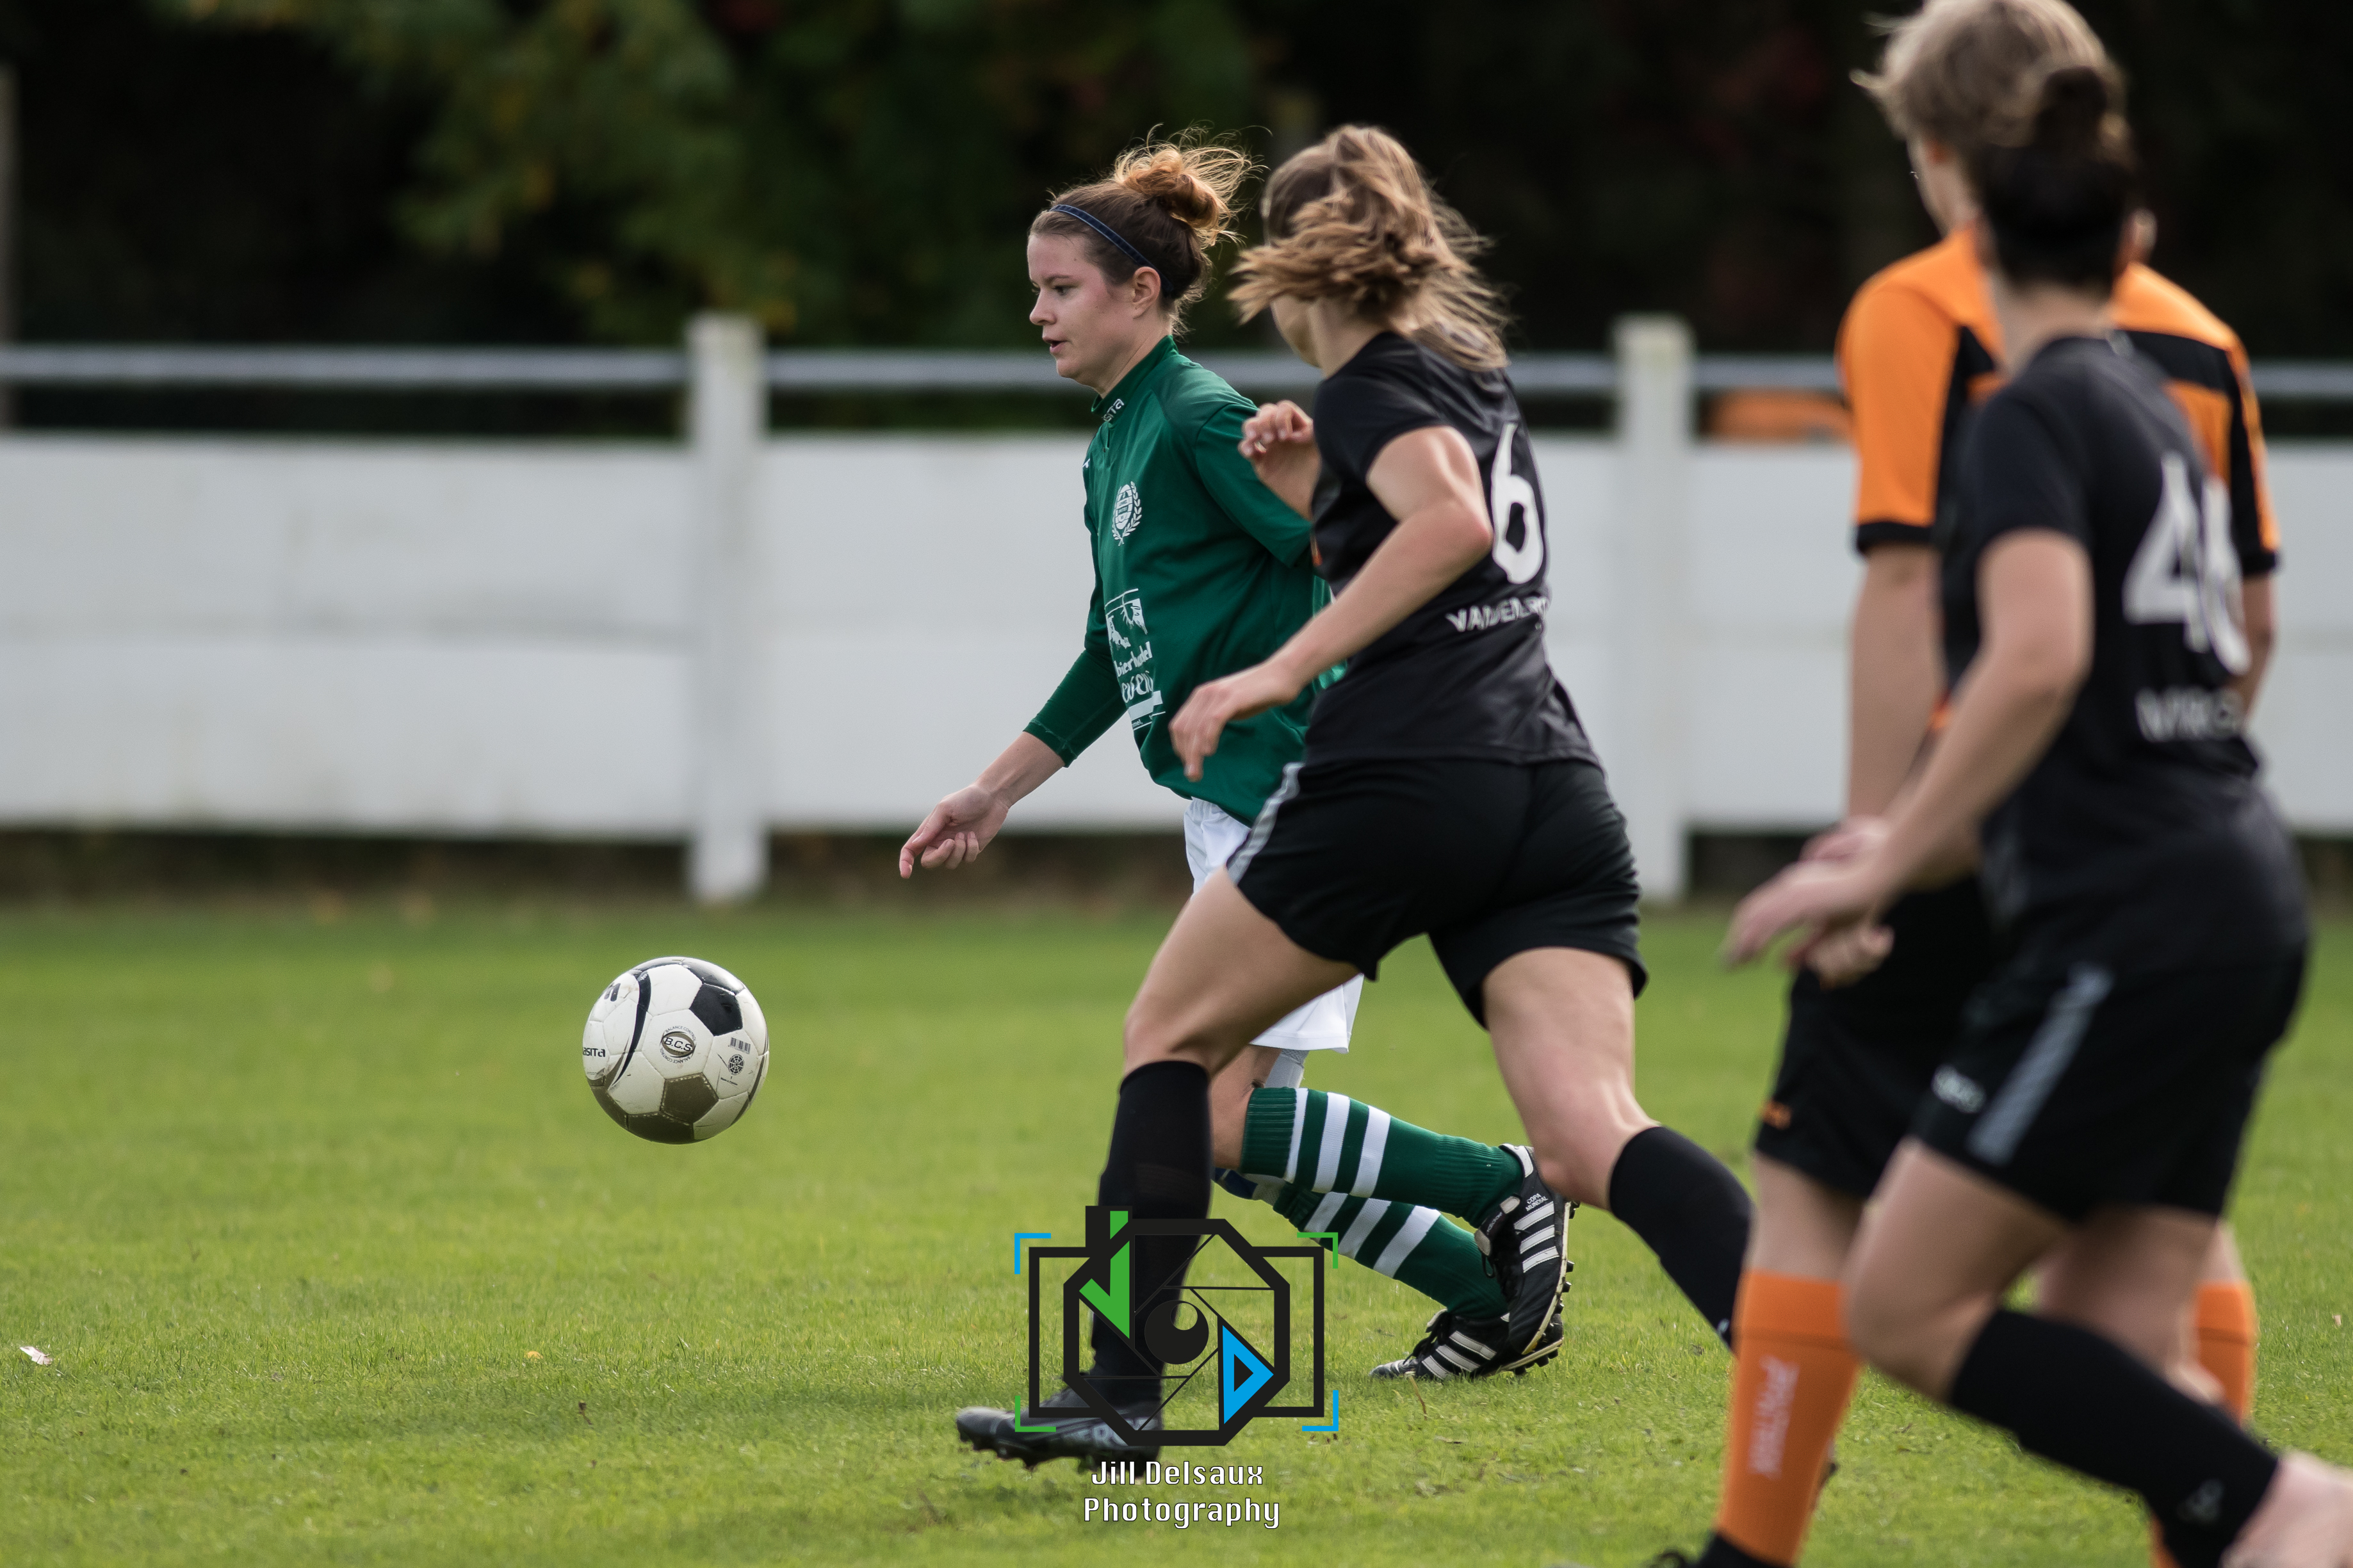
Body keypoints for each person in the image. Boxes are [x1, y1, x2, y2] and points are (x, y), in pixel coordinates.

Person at [951, 122, 1756, 1466]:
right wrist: (998, 787)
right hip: (1544, 775)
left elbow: (1442, 531)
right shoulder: (1468, 377)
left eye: (1057, 288)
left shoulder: (1350, 389)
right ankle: (1778, 1354)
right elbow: (1377, 549)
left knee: (1177, 1060)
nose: (1038, 312)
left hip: (1381, 776)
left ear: (1289, 267)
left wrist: (1276, 670)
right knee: (1589, 1134)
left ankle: (1123, 1390)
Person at [1671, 4, 2285, 1565]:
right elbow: (2248, 621)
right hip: (2165, 837)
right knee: (2151, 1238)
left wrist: (1875, 842)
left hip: (1975, 818)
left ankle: (1753, 1552)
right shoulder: (2195, 338)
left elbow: (1906, 590)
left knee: (1816, 1184)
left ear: (1942, 156)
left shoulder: (1930, 311)